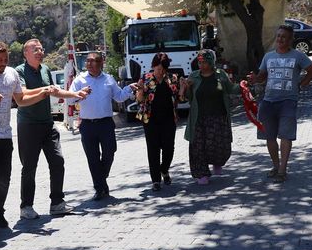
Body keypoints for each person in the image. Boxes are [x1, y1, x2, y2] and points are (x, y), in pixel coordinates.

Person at [0, 41, 52, 238]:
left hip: (4, 132)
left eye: (5, 60)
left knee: (4, 177)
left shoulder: (12, 74)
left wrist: (43, 95)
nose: (3, 64)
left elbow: (21, 100)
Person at [15, 38, 87, 219]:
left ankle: (57, 203)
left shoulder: (46, 69)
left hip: (48, 124)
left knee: (57, 161)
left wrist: (75, 94)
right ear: (26, 53)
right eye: (35, 50)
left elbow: (54, 91)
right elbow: (22, 94)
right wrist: (44, 90)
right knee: (29, 167)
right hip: (28, 126)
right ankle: (26, 207)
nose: (40, 52)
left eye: (41, 49)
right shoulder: (19, 71)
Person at [247, 24, 312, 183]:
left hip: (288, 102)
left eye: (284, 36)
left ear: (290, 39)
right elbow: (262, 77)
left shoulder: (298, 56)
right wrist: (254, 79)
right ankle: (275, 165)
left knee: (285, 135)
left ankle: (282, 170)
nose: (280, 39)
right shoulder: (268, 57)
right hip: (268, 101)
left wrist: (301, 85)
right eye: (278, 36)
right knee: (269, 136)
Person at [69, 52, 134, 200]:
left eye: (93, 61)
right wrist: (80, 94)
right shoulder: (79, 80)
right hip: (87, 125)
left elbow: (119, 97)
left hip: (106, 124)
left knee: (110, 152)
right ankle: (100, 188)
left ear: (101, 63)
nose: (89, 64)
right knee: (92, 158)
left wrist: (130, 88)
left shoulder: (109, 79)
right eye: (88, 61)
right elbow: (70, 100)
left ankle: (100, 179)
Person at [183, 49, 238, 185]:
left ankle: (217, 163)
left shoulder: (221, 75)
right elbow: (189, 98)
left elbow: (231, 89)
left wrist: (245, 86)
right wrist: (185, 88)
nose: (201, 65)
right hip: (199, 118)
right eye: (199, 62)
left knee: (219, 147)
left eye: (204, 62)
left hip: (218, 118)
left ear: (211, 62)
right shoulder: (194, 77)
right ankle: (201, 173)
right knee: (198, 147)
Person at [134, 52, 180, 191]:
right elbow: (139, 100)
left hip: (168, 119)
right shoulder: (146, 79)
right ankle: (155, 180)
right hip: (150, 119)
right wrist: (141, 90)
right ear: (153, 67)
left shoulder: (173, 79)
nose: (160, 72)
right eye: (157, 68)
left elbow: (179, 99)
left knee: (169, 149)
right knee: (153, 150)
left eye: (162, 69)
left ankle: (164, 169)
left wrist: (183, 89)